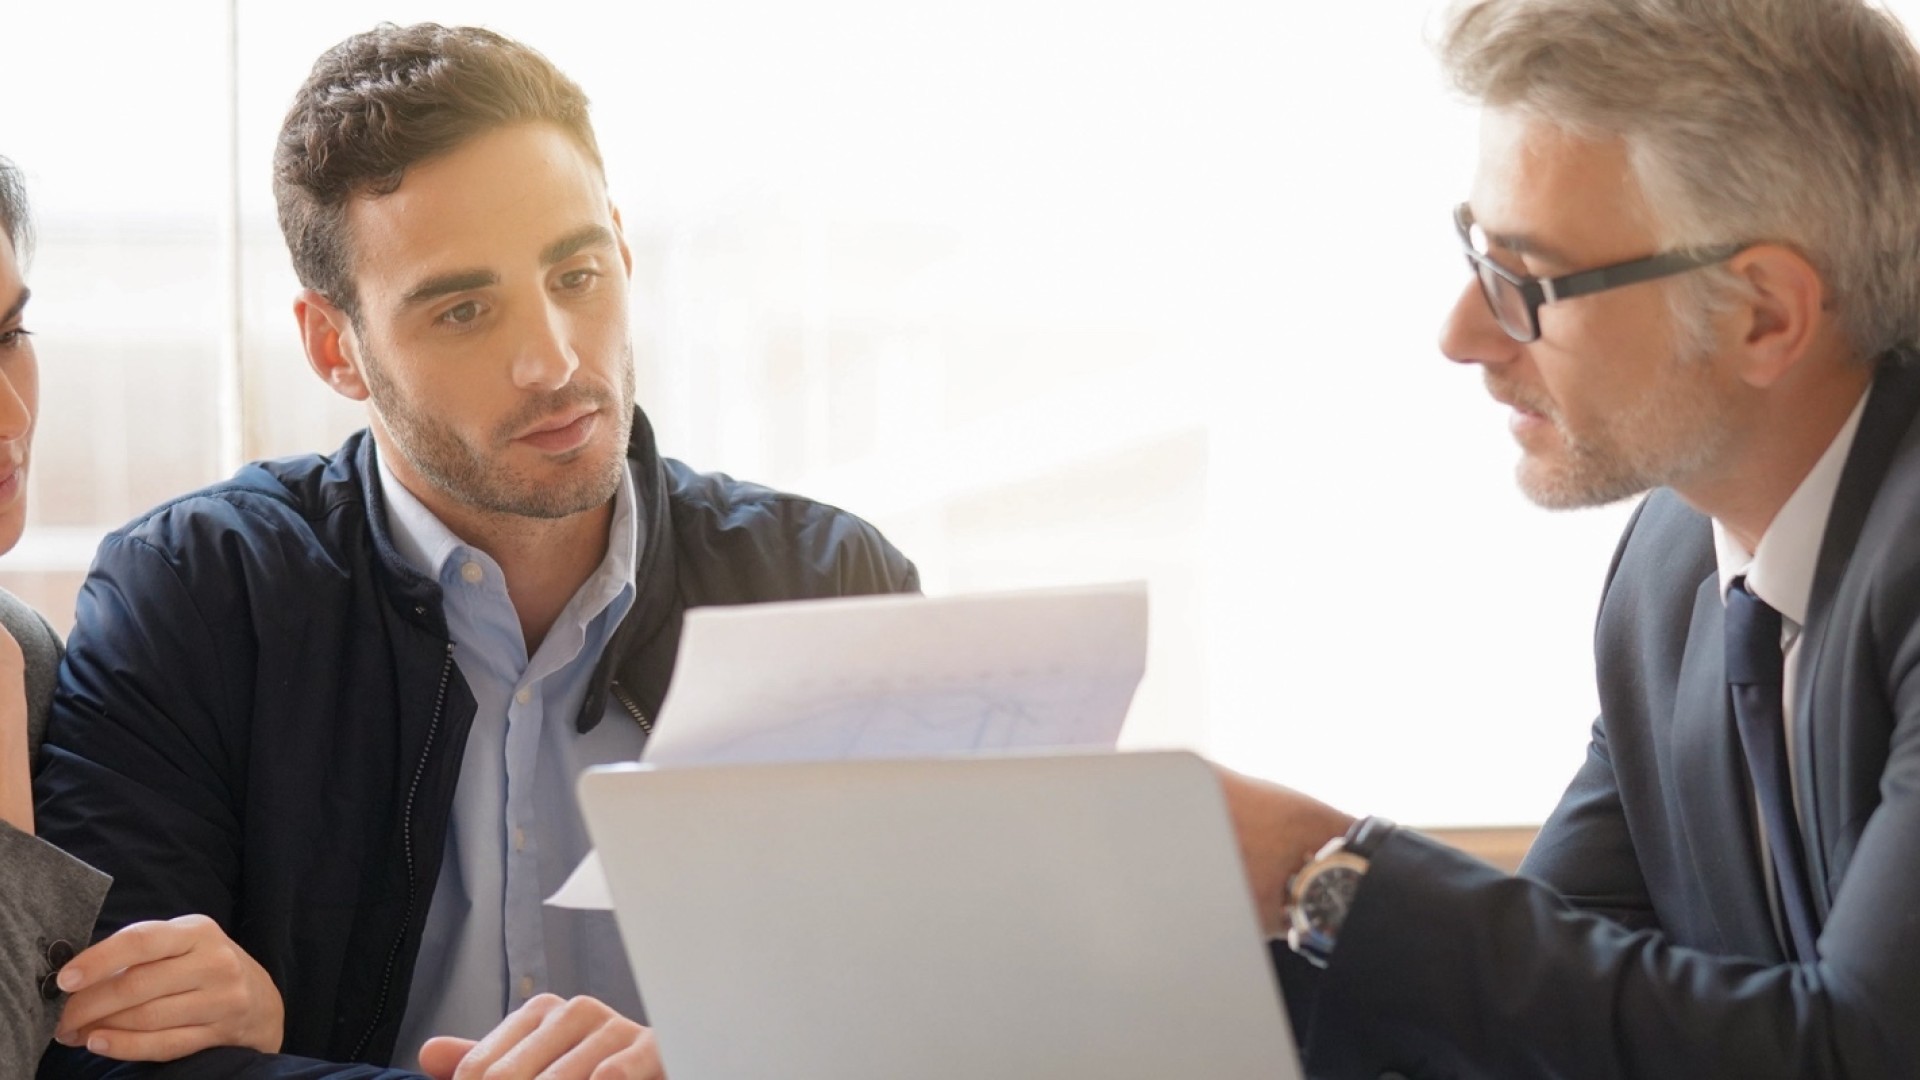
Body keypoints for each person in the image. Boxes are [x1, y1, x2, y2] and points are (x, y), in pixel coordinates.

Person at [33, 24, 916, 1080]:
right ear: (335, 348)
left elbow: (945, 1014)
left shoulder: (829, 591)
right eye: (463, 309)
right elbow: (103, 1061)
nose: (552, 360)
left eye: (578, 274)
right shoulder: (196, 596)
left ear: (624, 251)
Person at [1217, 0, 1920, 1076]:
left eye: (1526, 281)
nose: (1461, 335)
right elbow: (1541, 1017)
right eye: (1473, 252)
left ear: (1765, 314)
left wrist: (1327, 876)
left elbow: (1862, 1053)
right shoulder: (1672, 571)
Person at [0, 157, 291, 1076]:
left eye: (10, 334)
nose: (9, 415)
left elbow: (62, 1035)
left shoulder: (34, 661)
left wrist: (243, 1007)